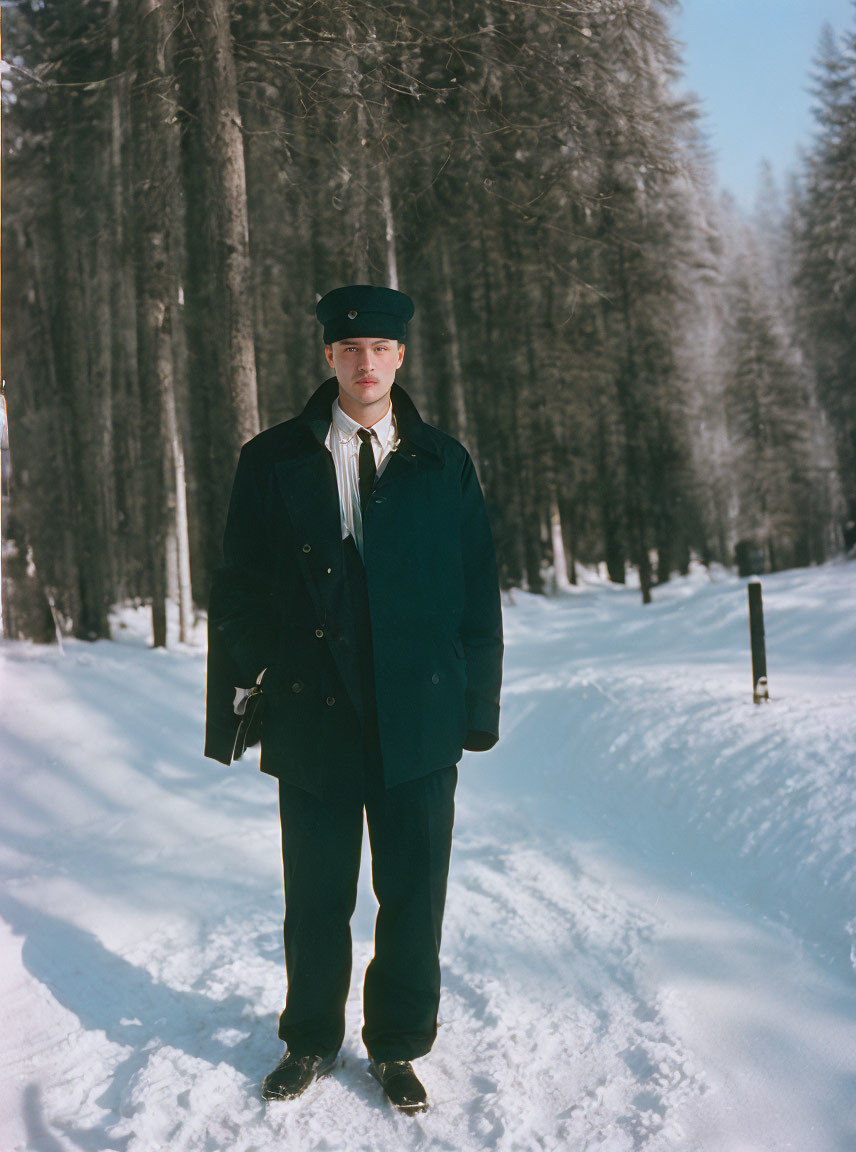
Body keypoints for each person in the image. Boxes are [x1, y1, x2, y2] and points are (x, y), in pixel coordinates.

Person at [204, 284, 503, 1114]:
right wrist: (274, 663)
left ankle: (399, 1045)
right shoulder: (273, 459)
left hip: (419, 717)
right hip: (313, 713)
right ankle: (308, 1040)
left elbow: (479, 592)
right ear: (327, 357)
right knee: (319, 894)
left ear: (401, 357)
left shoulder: (445, 463)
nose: (365, 364)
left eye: (380, 349)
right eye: (349, 350)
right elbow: (236, 583)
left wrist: (477, 708)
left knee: (412, 891)